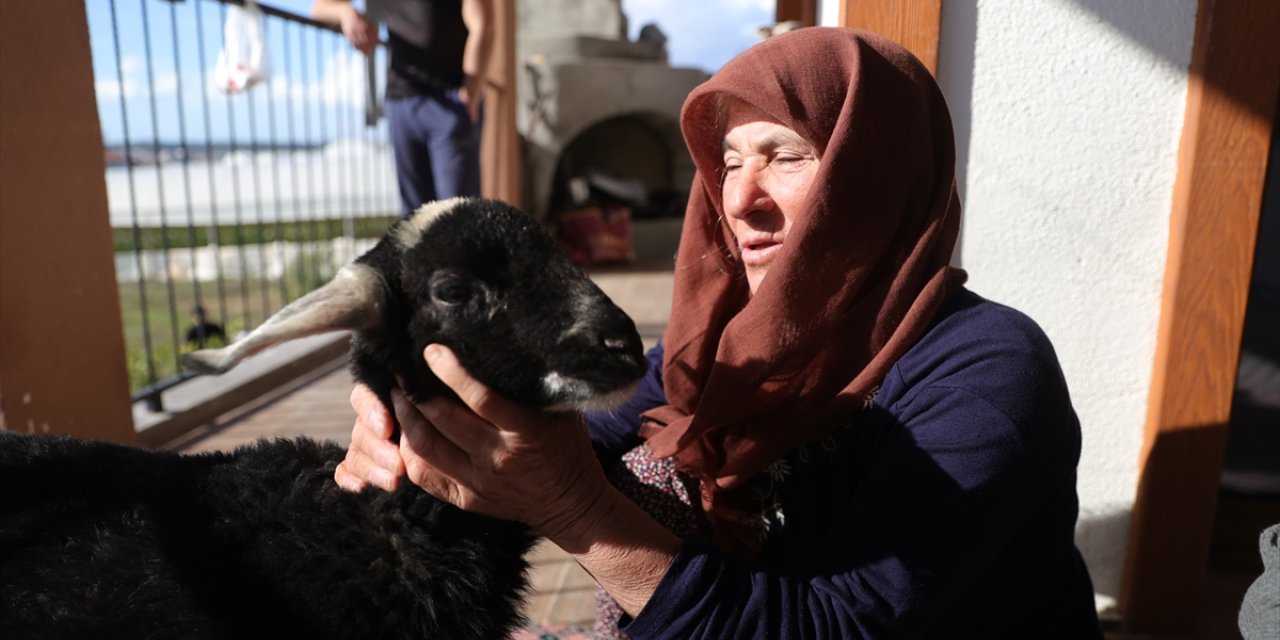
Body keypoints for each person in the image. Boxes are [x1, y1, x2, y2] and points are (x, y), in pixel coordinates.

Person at [335, 27, 1104, 638]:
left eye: (788, 157)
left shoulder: (986, 376)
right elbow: (590, 430)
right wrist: (417, 431)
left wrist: (576, 510)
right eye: (729, 161)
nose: (740, 200)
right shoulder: (725, 342)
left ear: (874, 176)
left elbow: (832, 626)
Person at [312, 0, 493, 217]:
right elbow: (320, 8)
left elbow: (483, 24)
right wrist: (346, 13)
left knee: (460, 216)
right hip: (401, 101)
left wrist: (469, 93)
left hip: (451, 100)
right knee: (415, 219)